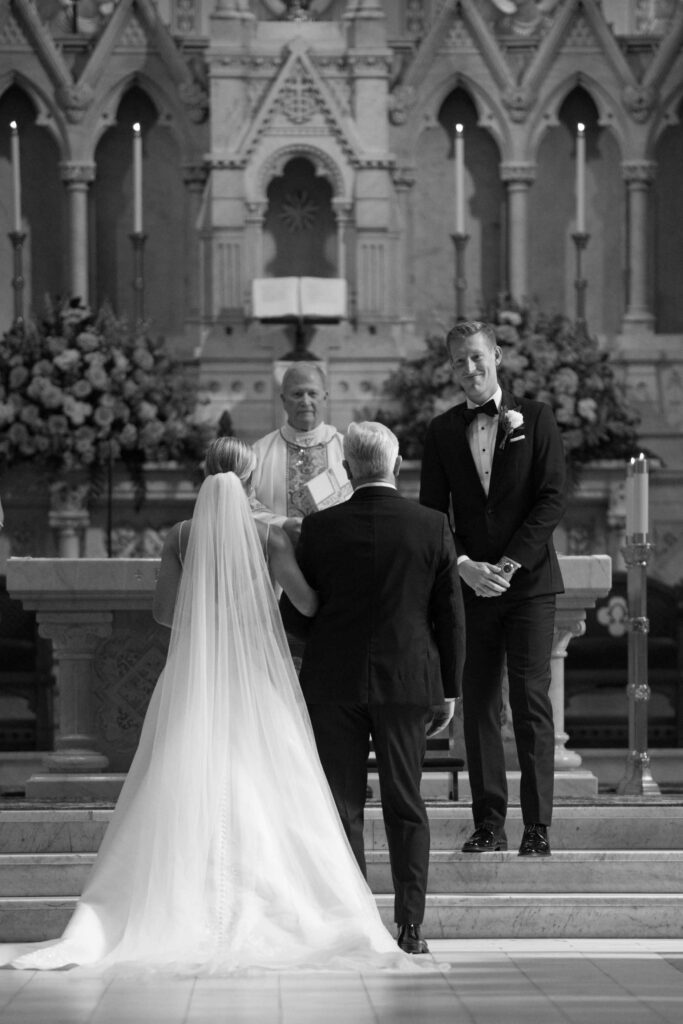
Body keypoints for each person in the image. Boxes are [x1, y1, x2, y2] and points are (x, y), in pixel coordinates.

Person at [11, 437, 416, 974]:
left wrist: (210, 620)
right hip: (254, 673)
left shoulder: (181, 536)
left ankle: (170, 908)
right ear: (251, 481)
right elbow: (307, 603)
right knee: (274, 781)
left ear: (205, 474)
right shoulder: (271, 535)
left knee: (182, 778)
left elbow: (164, 614)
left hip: (196, 675)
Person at [281, 422, 466, 955]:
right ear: (397, 465)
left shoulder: (319, 529)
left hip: (333, 682)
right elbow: (450, 616)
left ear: (345, 470)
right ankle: (410, 927)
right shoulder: (431, 525)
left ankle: (354, 924)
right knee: (406, 803)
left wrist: (325, 638)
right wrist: (449, 688)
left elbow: (297, 609)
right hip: (408, 682)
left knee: (341, 806)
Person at [419, 320, 567, 858]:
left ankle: (538, 826)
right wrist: (462, 565)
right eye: (459, 361)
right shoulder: (440, 431)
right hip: (471, 589)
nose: (470, 369)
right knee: (478, 706)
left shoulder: (539, 417)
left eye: (477, 358)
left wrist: (507, 562)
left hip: (528, 585)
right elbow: (434, 515)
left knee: (530, 704)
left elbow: (551, 499)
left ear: (497, 356)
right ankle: (488, 824)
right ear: (451, 367)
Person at [250, 362, 346, 536]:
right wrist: (282, 524)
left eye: (312, 393)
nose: (305, 401)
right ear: (283, 400)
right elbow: (243, 506)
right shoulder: (259, 453)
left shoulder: (348, 450)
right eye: (297, 394)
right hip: (277, 558)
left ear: (325, 397)